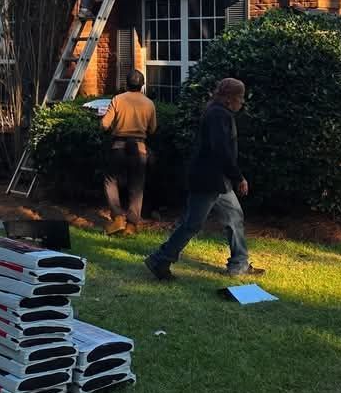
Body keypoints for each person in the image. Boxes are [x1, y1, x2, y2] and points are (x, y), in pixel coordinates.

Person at [145, 77, 263, 281]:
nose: (242, 102)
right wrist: (239, 177)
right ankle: (160, 259)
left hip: (216, 180)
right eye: (240, 97)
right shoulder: (219, 115)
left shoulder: (217, 111)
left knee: (234, 218)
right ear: (229, 98)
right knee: (192, 224)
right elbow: (221, 151)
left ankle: (239, 263)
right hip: (209, 180)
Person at [100, 69, 157, 235]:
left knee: (110, 181)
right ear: (142, 85)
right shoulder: (149, 103)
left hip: (118, 146)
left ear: (126, 84)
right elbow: (152, 129)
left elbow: (104, 125)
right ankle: (132, 225)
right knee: (137, 186)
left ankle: (117, 217)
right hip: (140, 148)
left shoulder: (118, 99)